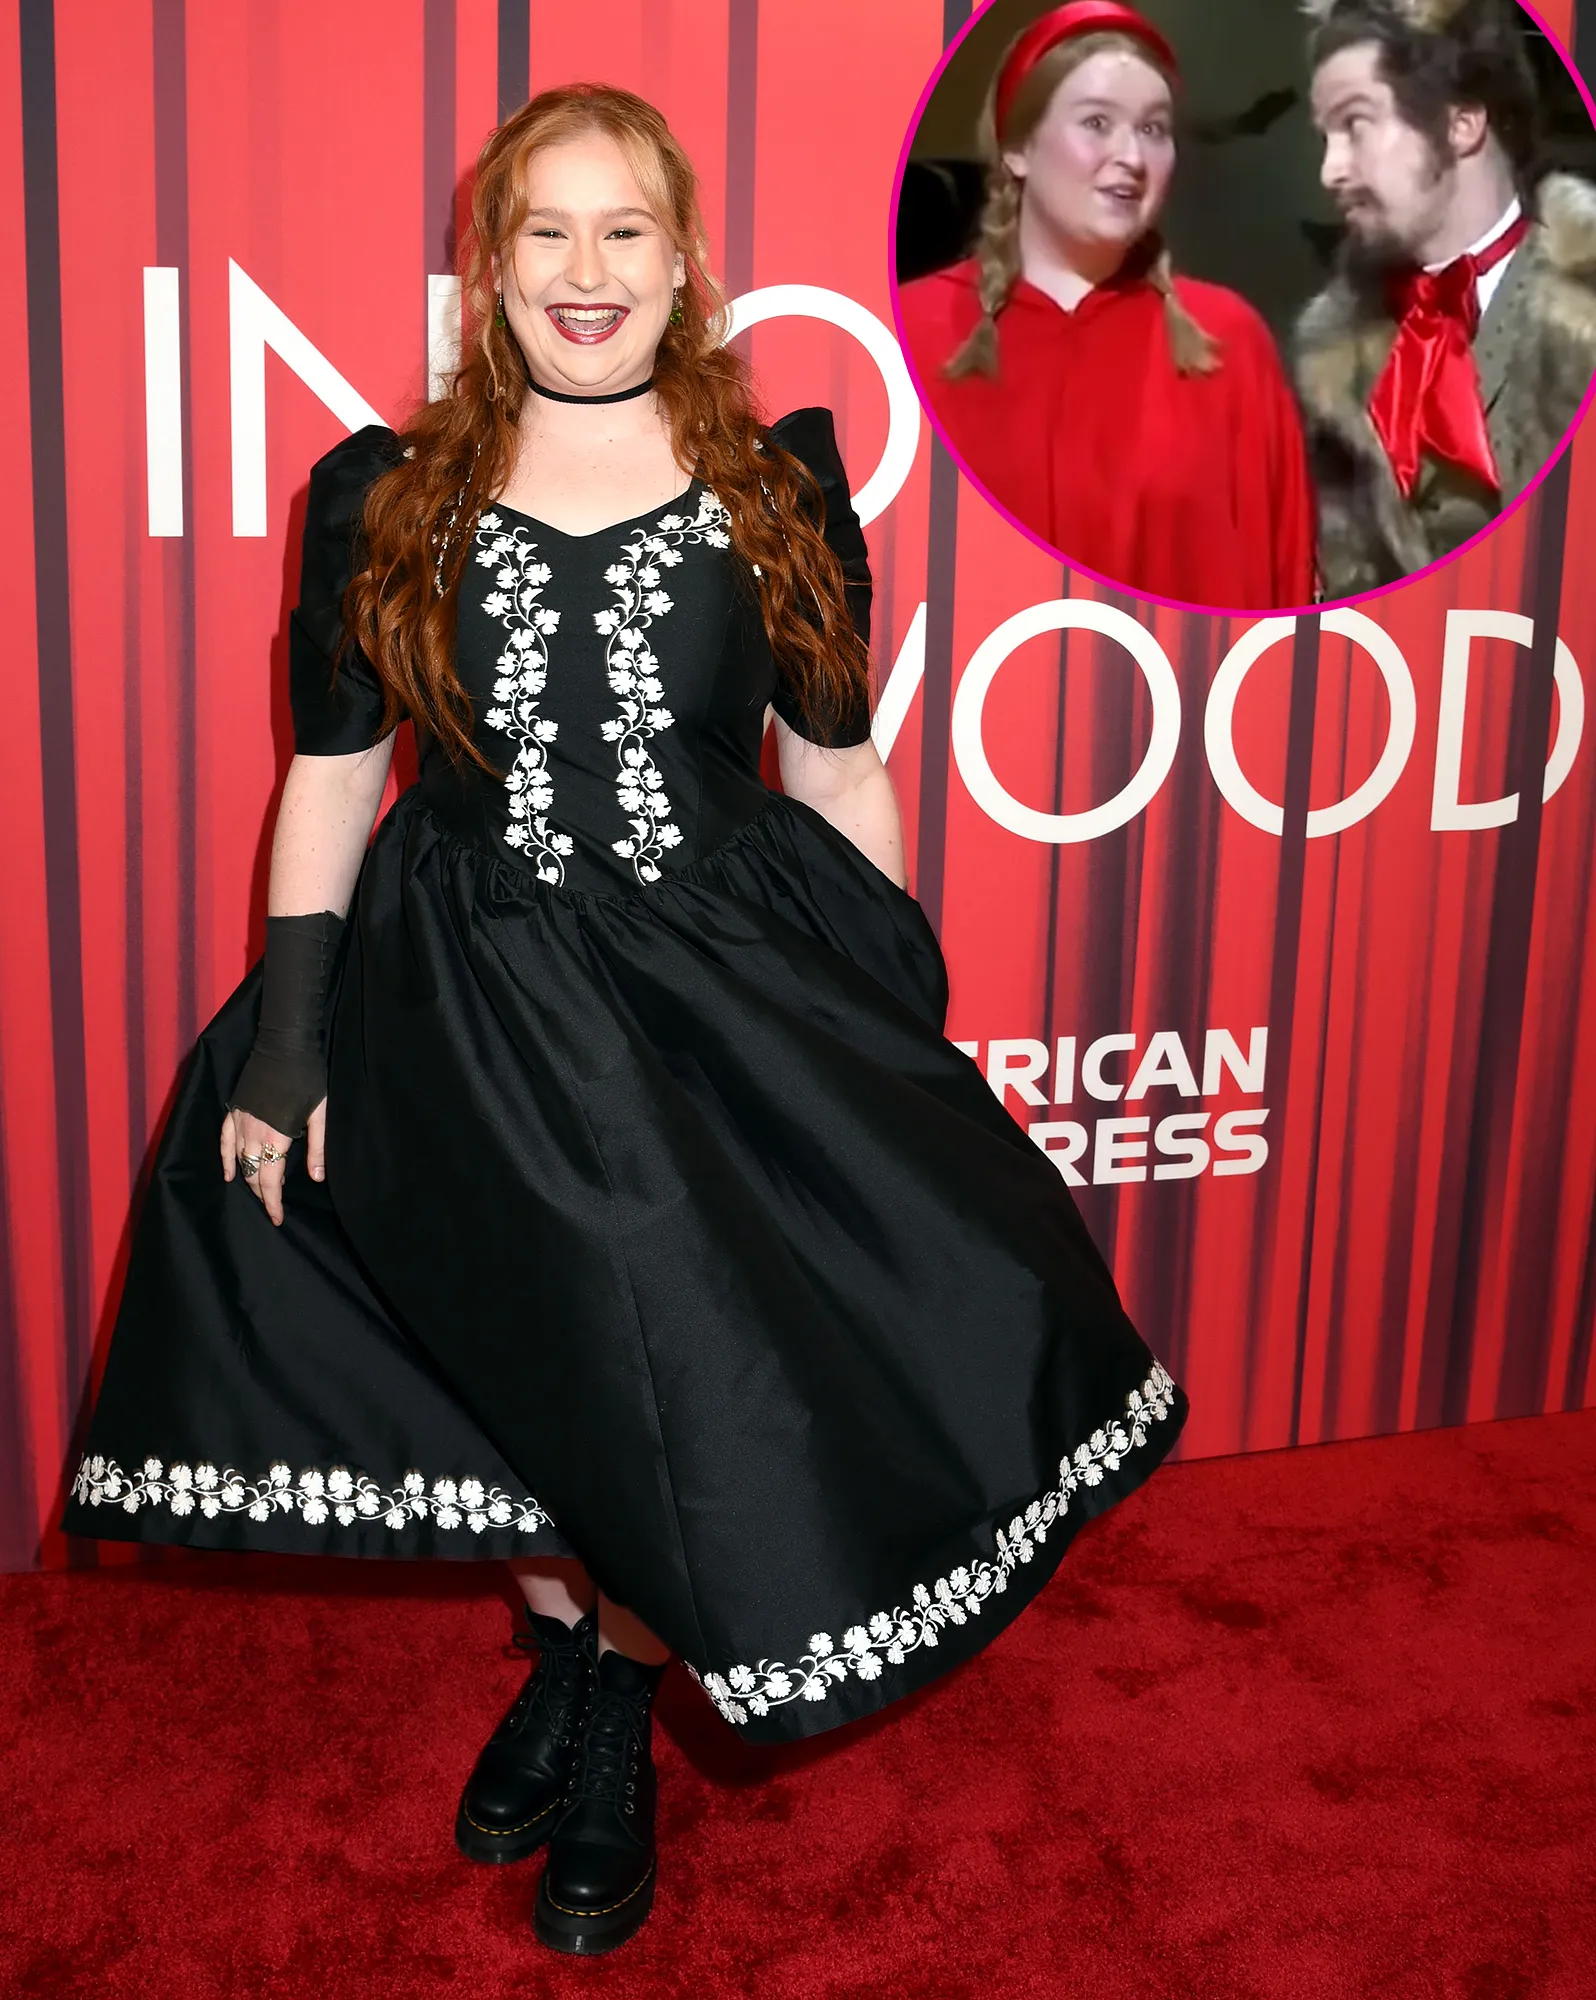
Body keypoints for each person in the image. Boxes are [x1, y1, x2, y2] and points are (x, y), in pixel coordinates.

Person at [63, 84, 1187, 1957]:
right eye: (546, 232)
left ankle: (612, 1700)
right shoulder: (382, 495)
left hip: (713, 998)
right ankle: (574, 1654)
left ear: (683, 262)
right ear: (491, 266)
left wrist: (888, 1017)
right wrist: (291, 1041)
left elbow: (838, 770)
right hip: (457, 992)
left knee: (682, 1368)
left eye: (624, 231)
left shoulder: (780, 485)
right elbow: (331, 779)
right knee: (502, 1358)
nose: (585, 271)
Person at [895, 0, 1315, 611]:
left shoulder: (1229, 342)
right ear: (1018, 148)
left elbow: (1285, 591)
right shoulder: (912, 330)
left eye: (1153, 129)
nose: (1133, 158)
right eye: (1097, 122)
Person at [1297, 0, 1596, 598]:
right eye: (1325, 137)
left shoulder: (1580, 307)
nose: (1331, 170)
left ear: (1463, 124)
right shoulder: (1339, 355)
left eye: (1355, 125)